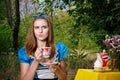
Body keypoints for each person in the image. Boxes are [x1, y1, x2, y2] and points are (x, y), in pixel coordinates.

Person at [18, 13, 69, 80]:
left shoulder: (59, 49)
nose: (40, 31)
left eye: (44, 27)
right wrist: (36, 61)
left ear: (49, 29)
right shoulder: (26, 52)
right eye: (37, 27)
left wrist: (57, 69)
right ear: (33, 30)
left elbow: (64, 78)